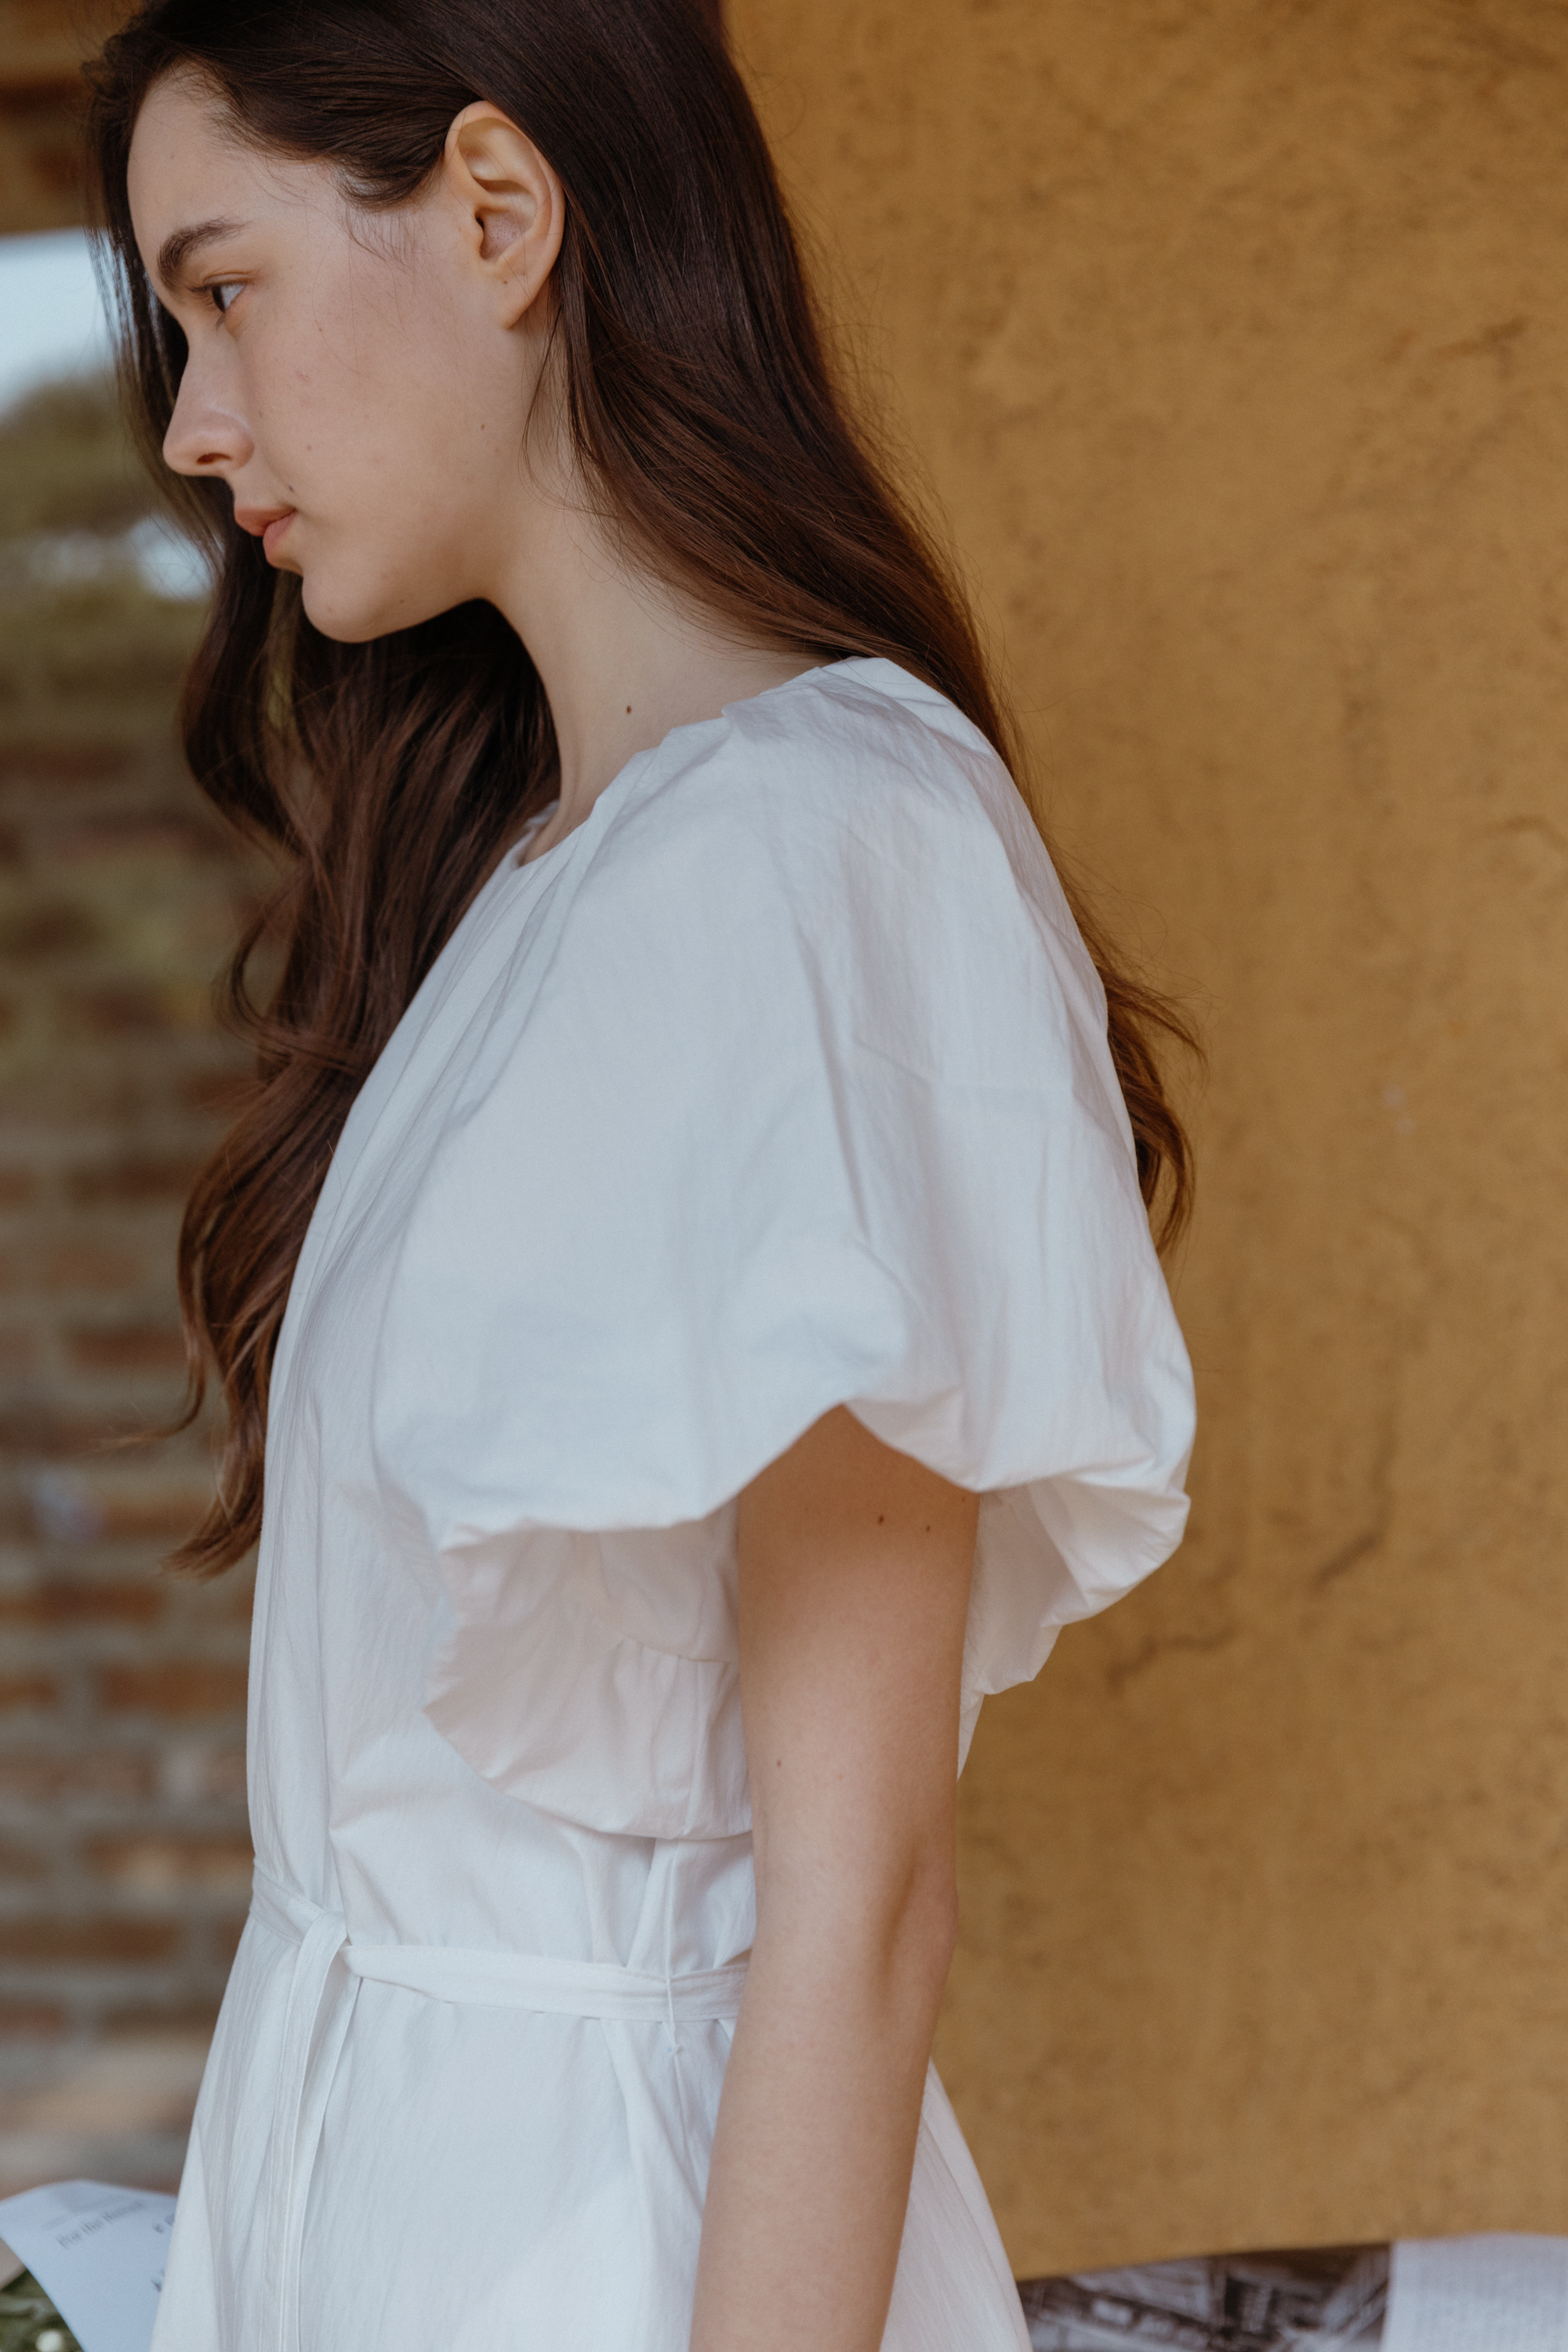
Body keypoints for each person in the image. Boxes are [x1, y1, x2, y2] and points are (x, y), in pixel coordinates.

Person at [89, 3, 1196, 2347]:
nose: (195, 423)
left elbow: (861, 1904)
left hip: (611, 2250)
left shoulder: (816, 848)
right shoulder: (538, 880)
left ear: (500, 211)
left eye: (226, 290)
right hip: (377, 2214)